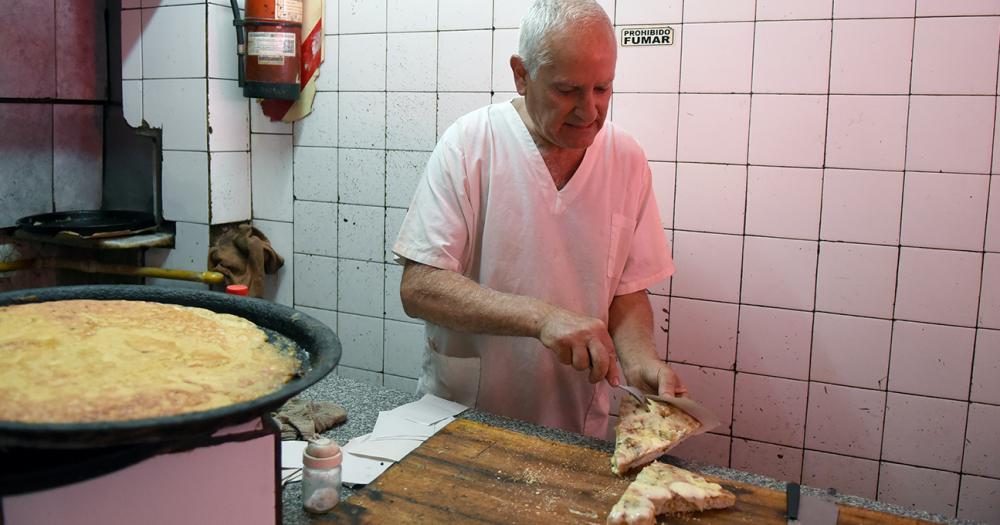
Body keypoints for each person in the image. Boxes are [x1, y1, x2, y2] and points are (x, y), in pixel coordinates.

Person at [392, 0, 685, 439]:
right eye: (567, 91)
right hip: (466, 414)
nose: (589, 112)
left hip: (576, 420)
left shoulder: (626, 159)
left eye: (602, 89)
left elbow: (625, 292)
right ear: (522, 74)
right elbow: (419, 288)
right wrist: (542, 318)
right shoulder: (471, 144)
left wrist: (640, 361)